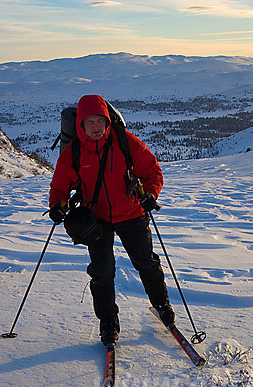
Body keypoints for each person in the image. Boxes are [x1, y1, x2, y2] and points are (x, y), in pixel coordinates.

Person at [47, 94, 174, 346]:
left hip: (132, 212)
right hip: (97, 219)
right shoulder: (74, 152)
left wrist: (150, 194)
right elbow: (60, 185)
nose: (95, 127)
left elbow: (151, 171)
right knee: (102, 273)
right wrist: (56, 206)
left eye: (100, 121)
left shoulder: (125, 142)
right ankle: (108, 322)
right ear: (80, 125)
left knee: (146, 262)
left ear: (107, 122)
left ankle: (161, 306)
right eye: (89, 122)